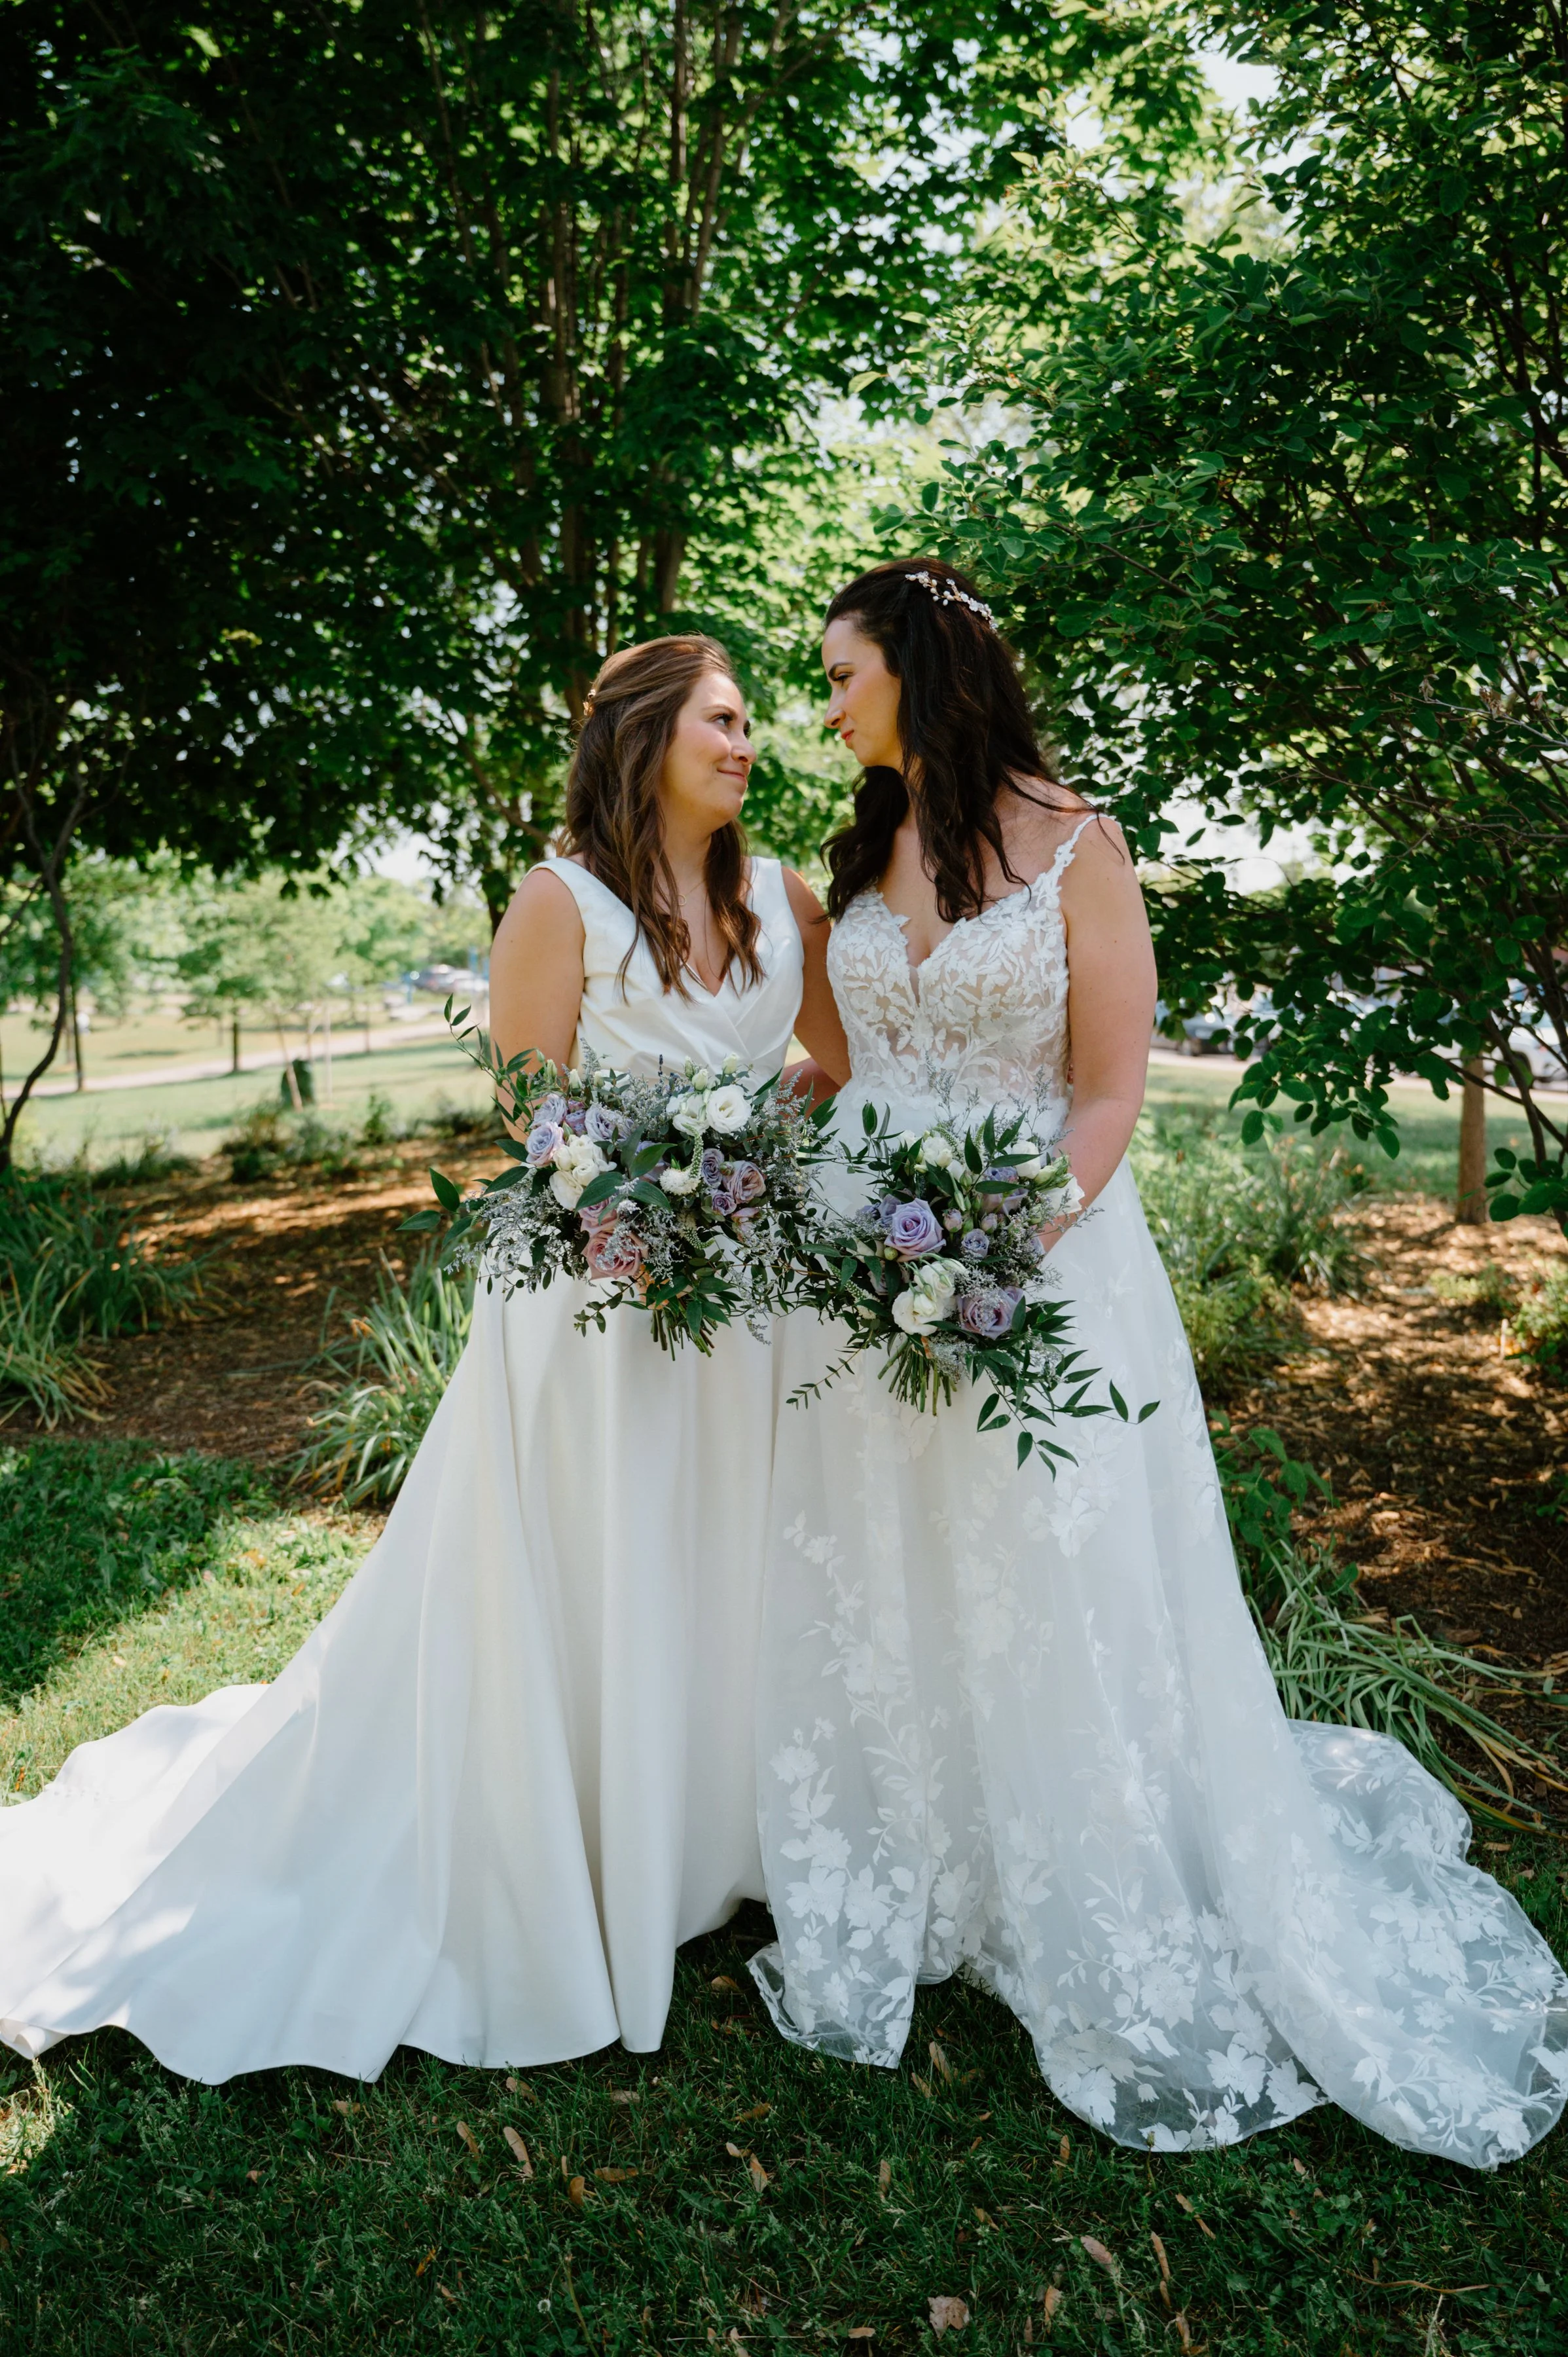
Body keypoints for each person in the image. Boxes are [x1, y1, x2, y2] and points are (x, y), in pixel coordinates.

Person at [750, 560, 1568, 2167]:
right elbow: (838, 1061)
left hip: (1032, 1261)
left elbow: (1111, 1095)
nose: (825, 704)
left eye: (843, 672)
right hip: (859, 1271)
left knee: (1052, 1569)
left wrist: (1002, 1240)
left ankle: (1087, 1865)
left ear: (919, 667)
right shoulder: (866, 850)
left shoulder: (1078, 846)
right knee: (884, 1565)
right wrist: (725, 1152)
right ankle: (923, 1851)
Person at [0, 634, 848, 2083]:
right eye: (720, 718)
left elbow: (830, 1061)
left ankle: (703, 1834)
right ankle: (570, 1846)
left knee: (719, 1556)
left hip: (743, 1304)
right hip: (594, 1311)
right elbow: (535, 1114)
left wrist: (753, 1161)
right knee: (599, 1563)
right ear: (643, 737)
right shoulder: (558, 899)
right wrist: (641, 1201)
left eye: (753, 722)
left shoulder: (791, 901)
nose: (749, 742)